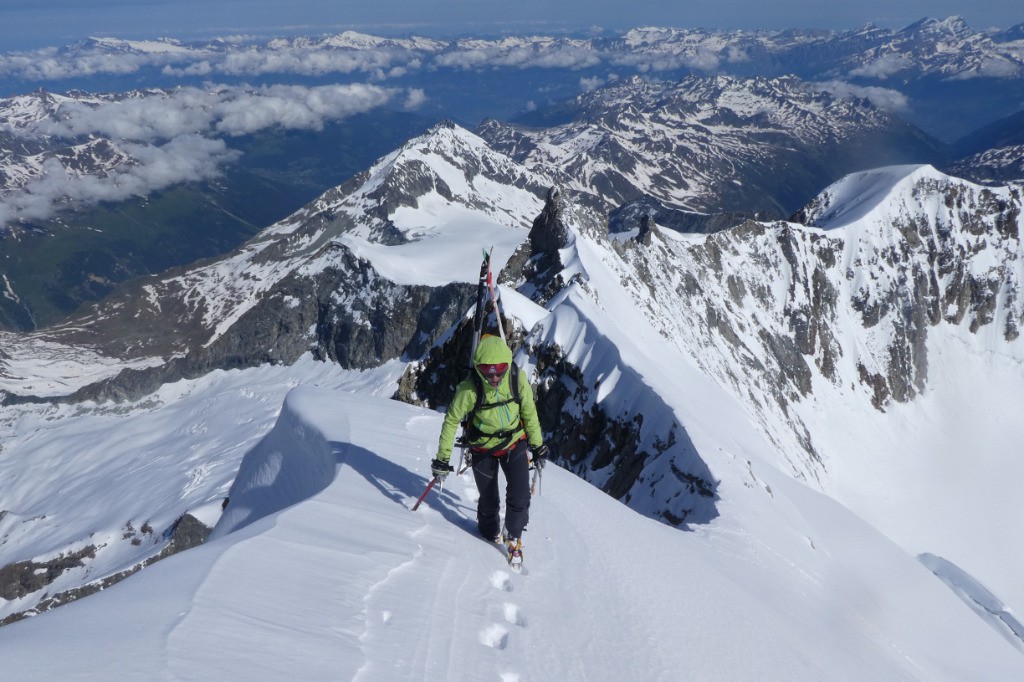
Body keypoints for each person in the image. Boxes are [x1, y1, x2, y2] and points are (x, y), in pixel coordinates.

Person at [432, 335, 548, 560]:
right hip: (482, 448)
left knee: (521, 495)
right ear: (478, 368)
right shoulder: (469, 389)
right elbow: (451, 421)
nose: (494, 376)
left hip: (514, 443)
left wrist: (537, 445)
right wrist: (442, 459)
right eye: (487, 370)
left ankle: (512, 533)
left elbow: (529, 412)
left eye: (499, 370)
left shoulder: (516, 379)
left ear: (507, 365)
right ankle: (488, 535)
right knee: (488, 500)